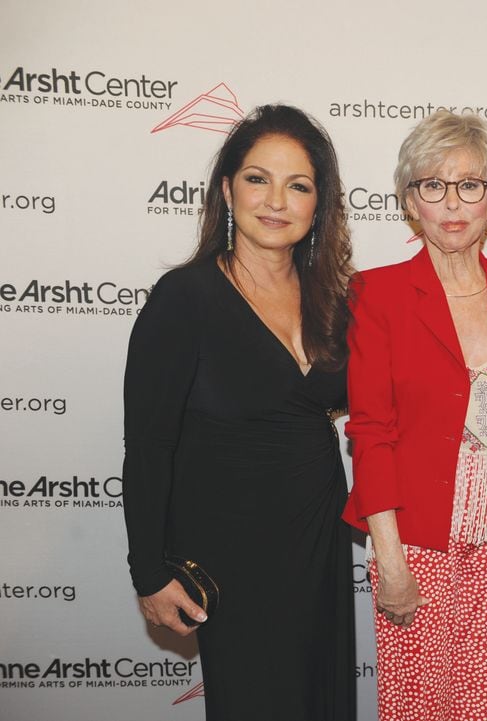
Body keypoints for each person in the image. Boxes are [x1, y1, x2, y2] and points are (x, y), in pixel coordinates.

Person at [122, 105, 357, 721]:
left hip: (320, 544)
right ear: (227, 189)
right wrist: (148, 571)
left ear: (318, 204)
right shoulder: (185, 298)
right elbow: (149, 446)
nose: (277, 200)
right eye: (259, 179)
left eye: (298, 185)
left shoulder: (335, 301)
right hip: (233, 556)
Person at [342, 109, 487, 721]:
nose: (452, 203)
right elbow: (370, 433)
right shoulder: (375, 294)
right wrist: (392, 560)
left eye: (471, 185)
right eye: (433, 186)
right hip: (420, 541)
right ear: (410, 201)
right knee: (418, 706)